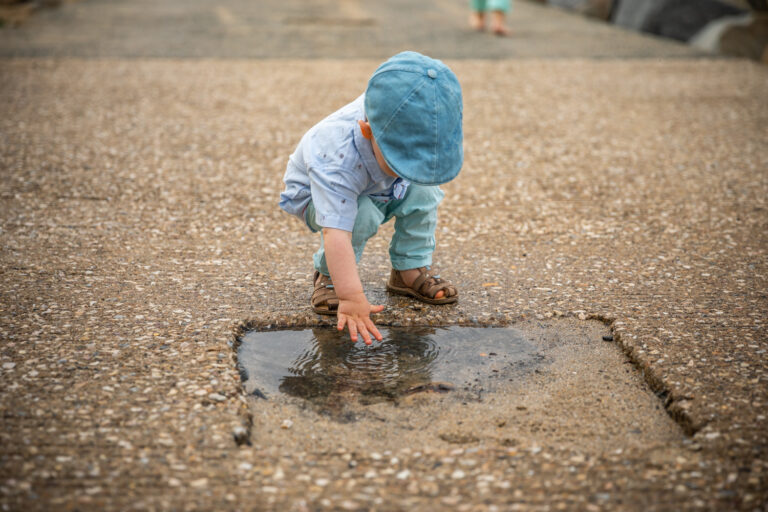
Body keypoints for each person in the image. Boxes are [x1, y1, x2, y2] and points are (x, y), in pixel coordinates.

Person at [279, 51, 463, 345]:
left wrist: (407, 171)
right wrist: (351, 297)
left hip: (377, 180)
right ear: (367, 130)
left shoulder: (404, 114)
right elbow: (335, 232)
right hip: (317, 196)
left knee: (424, 192)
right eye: (402, 160)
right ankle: (328, 278)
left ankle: (408, 269)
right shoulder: (335, 157)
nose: (410, 169)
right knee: (360, 216)